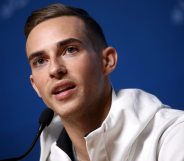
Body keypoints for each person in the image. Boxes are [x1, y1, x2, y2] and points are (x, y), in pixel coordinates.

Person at [24, 3, 184, 161]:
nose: (55, 69)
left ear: (107, 61)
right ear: (35, 86)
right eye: (40, 61)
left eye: (70, 50)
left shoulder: (175, 136)